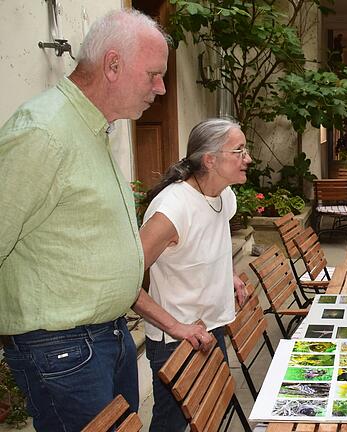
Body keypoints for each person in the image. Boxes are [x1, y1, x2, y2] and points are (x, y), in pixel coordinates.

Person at [0, 9, 209, 431]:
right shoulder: (43, 132)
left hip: (102, 339)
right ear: (112, 65)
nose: (161, 88)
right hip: (63, 348)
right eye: (153, 74)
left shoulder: (93, 128)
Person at [133, 118, 251, 431]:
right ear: (209, 159)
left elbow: (214, 241)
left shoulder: (224, 195)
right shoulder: (172, 210)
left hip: (212, 326)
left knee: (212, 411)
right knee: (171, 424)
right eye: (238, 151)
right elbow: (124, 280)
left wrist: (229, 276)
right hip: (176, 340)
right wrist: (176, 327)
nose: (248, 158)